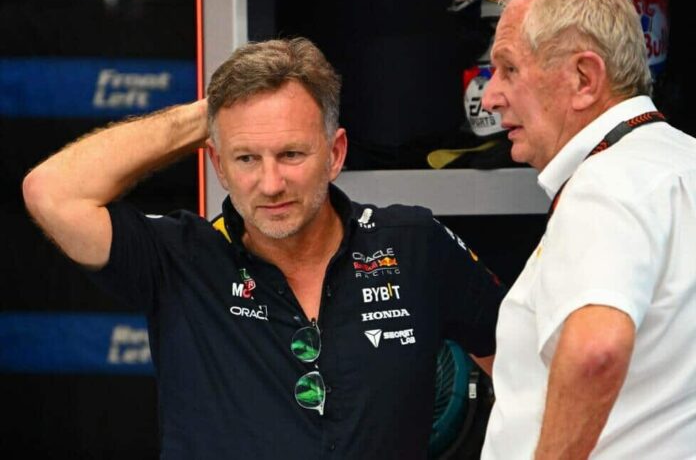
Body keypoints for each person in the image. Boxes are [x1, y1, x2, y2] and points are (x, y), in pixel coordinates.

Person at [23, 37, 506, 459]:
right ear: (218, 165)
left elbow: (524, 374)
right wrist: (209, 115)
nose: (271, 183)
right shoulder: (181, 258)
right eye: (246, 158)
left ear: (335, 153)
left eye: (291, 154)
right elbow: (51, 192)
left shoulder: (413, 244)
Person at [479, 0, 696, 459]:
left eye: (510, 69)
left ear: (584, 78)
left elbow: (596, 350)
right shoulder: (682, 163)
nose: (491, 97)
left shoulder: (606, 181)